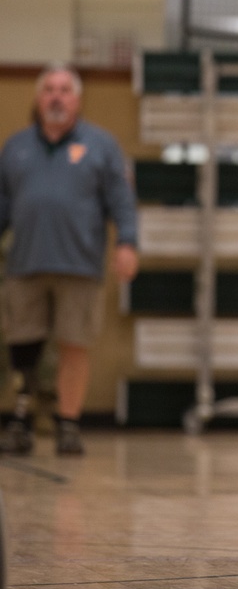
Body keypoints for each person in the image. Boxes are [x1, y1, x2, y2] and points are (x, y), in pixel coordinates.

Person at [0, 62, 139, 456]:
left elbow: (121, 200)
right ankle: (21, 419)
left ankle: (68, 423)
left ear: (77, 100)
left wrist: (127, 242)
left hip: (79, 263)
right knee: (22, 346)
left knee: (74, 345)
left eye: (65, 90)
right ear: (38, 98)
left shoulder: (101, 146)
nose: (56, 97)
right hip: (25, 263)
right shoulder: (16, 147)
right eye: (49, 90)